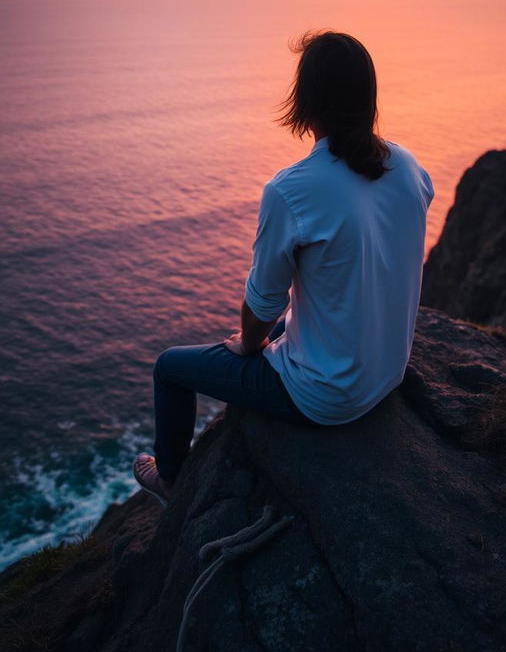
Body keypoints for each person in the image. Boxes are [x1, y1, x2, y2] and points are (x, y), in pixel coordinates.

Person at [133, 30, 435, 504]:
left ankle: (170, 478)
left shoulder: (292, 190)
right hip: (387, 372)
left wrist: (251, 343)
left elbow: (263, 301)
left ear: (306, 100)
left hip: (326, 397)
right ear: (367, 96)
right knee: (284, 324)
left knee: (169, 367)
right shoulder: (408, 165)